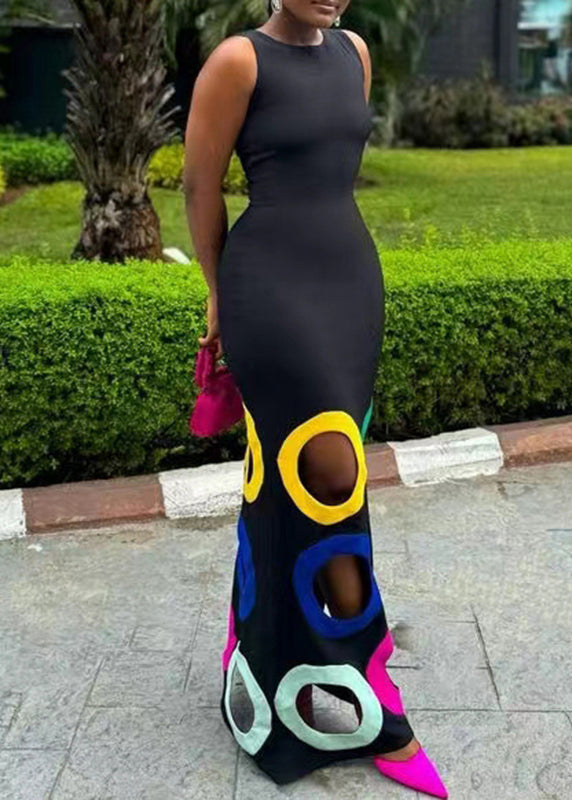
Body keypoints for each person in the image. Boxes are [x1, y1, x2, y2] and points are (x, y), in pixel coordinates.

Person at [183, 1, 448, 796]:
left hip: (349, 285)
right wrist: (217, 293)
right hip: (269, 288)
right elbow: (200, 185)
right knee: (327, 475)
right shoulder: (238, 61)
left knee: (301, 478)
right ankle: (371, 689)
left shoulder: (354, 53)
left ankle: (257, 640)